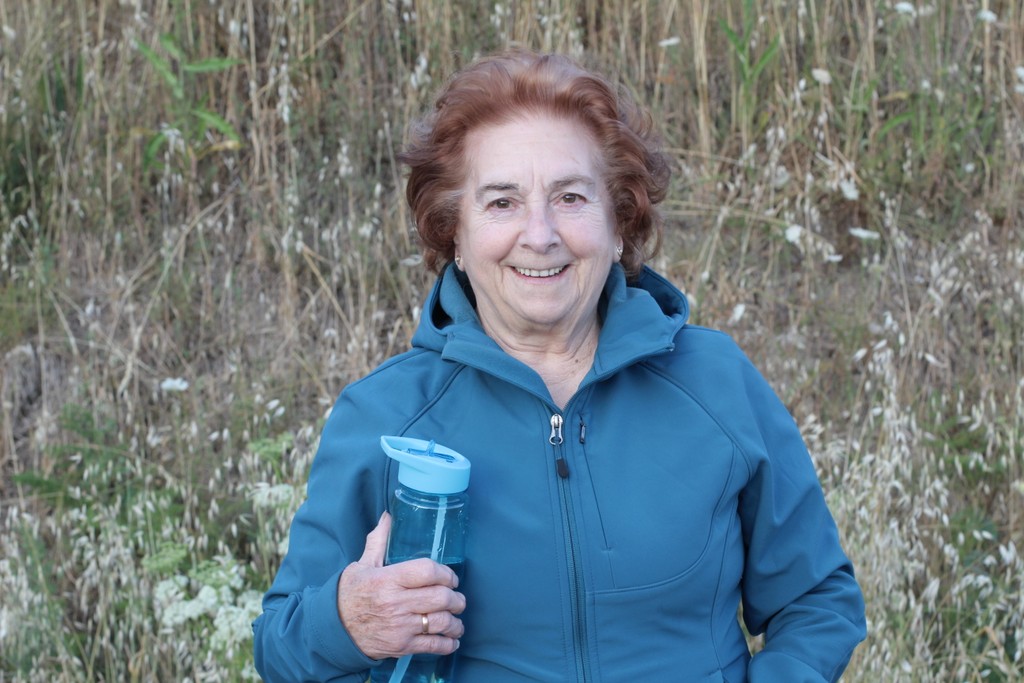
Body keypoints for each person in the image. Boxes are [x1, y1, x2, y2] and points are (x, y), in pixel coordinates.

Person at [252, 49, 866, 682]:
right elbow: (279, 650)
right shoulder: (386, 417)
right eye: (501, 203)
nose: (540, 234)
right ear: (453, 234)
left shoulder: (714, 382)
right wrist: (345, 625)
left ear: (619, 223)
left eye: (571, 197)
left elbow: (817, 601)